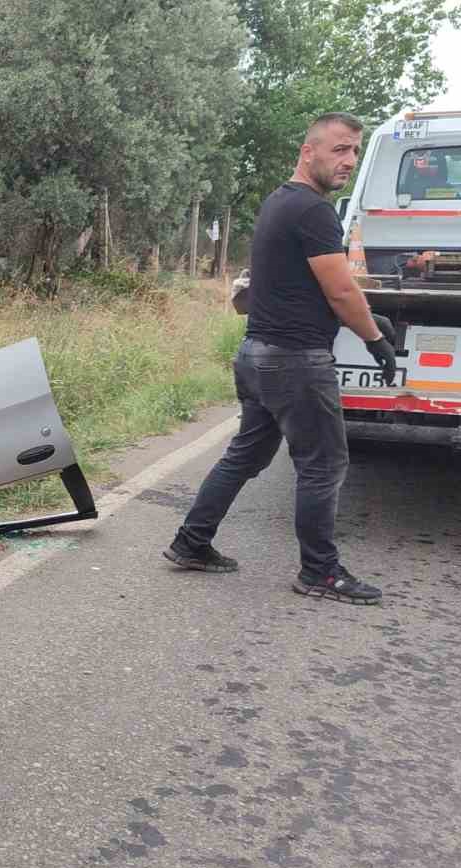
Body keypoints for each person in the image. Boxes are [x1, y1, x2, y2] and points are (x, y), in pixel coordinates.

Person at [162, 112, 398, 605]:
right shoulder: (314, 211)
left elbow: (293, 283)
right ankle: (319, 571)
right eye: (340, 150)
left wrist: (367, 321)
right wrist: (375, 336)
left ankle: (191, 542)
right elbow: (339, 287)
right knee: (323, 463)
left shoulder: (277, 202)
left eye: (355, 151)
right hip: (294, 361)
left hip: (256, 355)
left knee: (245, 454)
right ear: (307, 152)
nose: (349, 161)